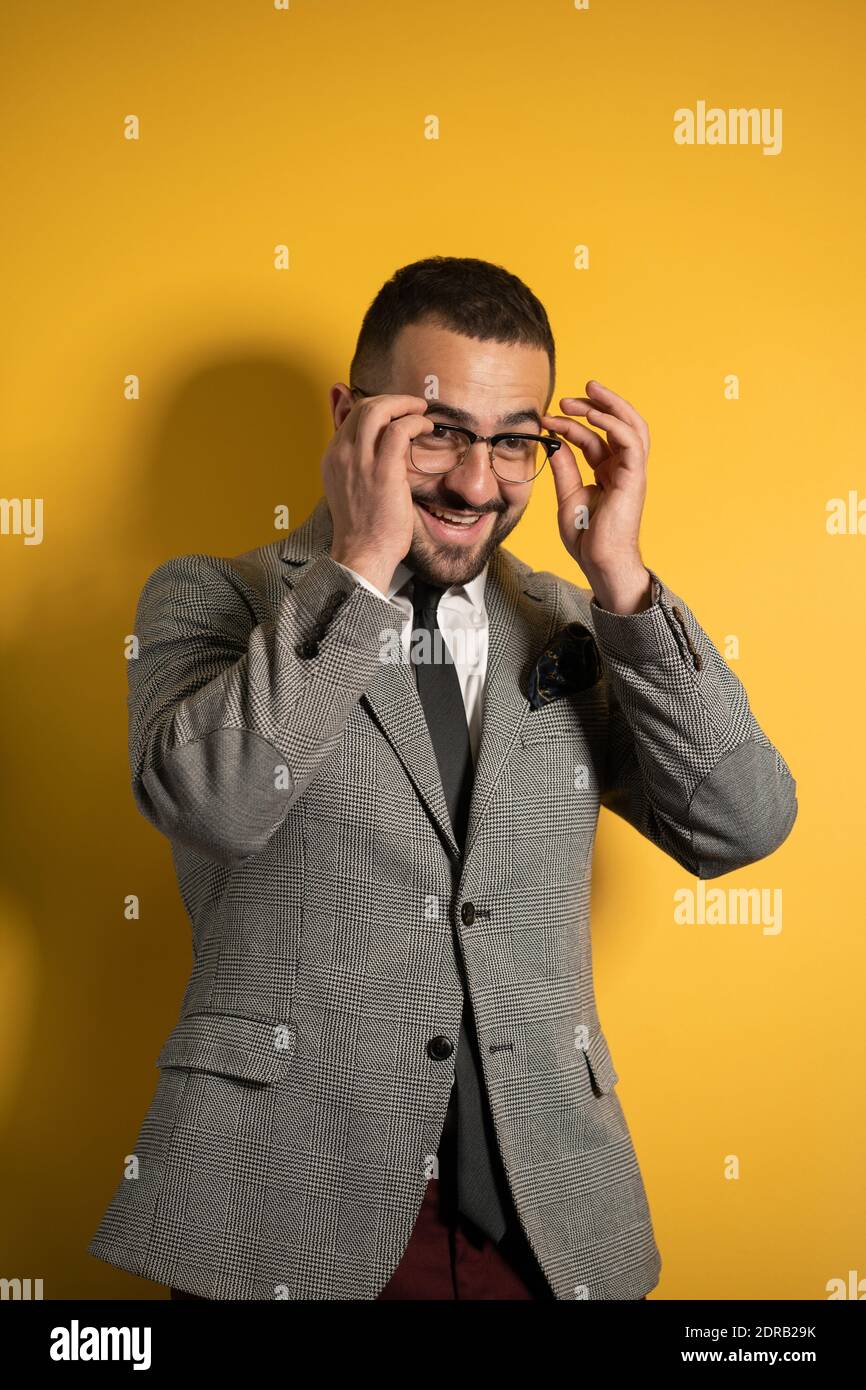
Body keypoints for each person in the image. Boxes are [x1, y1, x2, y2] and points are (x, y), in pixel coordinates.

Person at [88, 256, 797, 1300]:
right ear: (348, 416)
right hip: (286, 1214)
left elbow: (741, 822)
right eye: (435, 429)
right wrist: (362, 567)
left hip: (544, 1219)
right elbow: (218, 801)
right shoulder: (212, 600)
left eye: (512, 439)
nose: (474, 483)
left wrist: (623, 584)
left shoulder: (570, 619)